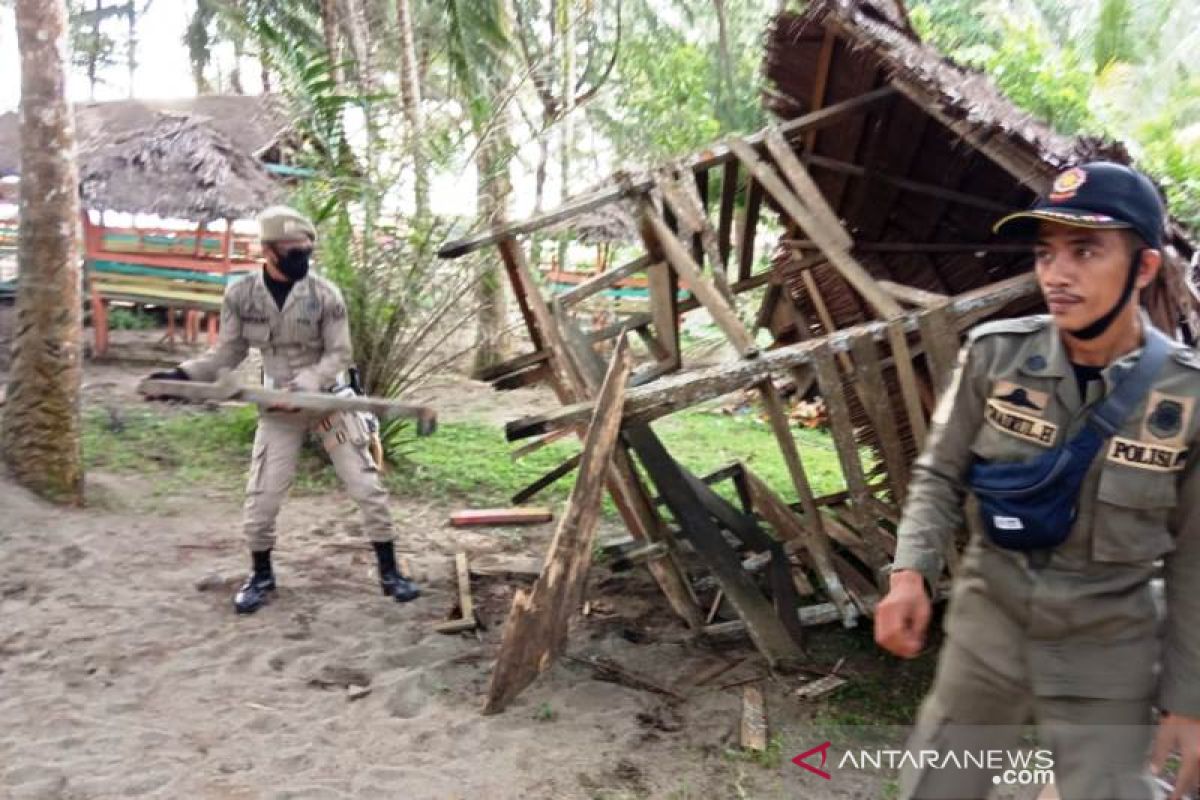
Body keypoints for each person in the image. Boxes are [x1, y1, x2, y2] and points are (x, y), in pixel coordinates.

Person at [874, 162, 1200, 799]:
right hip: (989, 625)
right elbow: (940, 471)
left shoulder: (1186, 396)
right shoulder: (995, 355)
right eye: (1046, 253)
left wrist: (1188, 698)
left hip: (1111, 644)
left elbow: (1195, 557)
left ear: (1144, 268)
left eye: (1085, 251)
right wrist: (909, 571)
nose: (1058, 274)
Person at [148, 206, 420, 613]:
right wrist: (183, 376)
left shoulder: (325, 294)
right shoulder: (241, 295)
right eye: (292, 250)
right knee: (262, 500)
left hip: (330, 402)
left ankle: (390, 573)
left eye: (306, 250)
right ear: (269, 251)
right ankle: (261, 576)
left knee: (367, 488)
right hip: (278, 409)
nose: (301, 258)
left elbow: (340, 352)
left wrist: (309, 381)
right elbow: (229, 352)